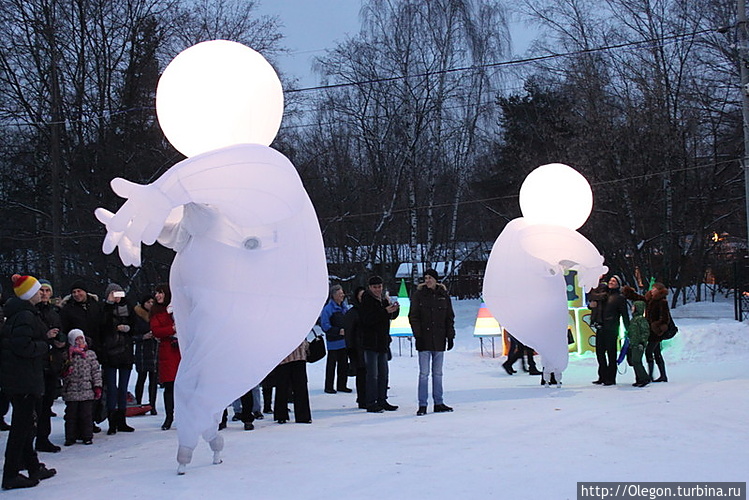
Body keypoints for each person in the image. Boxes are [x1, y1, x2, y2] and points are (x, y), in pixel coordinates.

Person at [1, 274, 57, 490]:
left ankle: (33, 467)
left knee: (26, 425)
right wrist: (46, 345)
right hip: (23, 379)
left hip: (22, 378)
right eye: (37, 290)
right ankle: (11, 474)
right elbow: (22, 346)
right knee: (21, 427)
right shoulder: (24, 315)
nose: (41, 293)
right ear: (29, 294)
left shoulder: (21, 313)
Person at [408, 268, 455, 416]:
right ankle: (422, 404)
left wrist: (450, 336)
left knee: (438, 373)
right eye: (425, 277)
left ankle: (438, 402)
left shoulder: (443, 296)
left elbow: (449, 317)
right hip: (424, 340)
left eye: (430, 277)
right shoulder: (419, 295)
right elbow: (413, 316)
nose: (427, 280)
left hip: (439, 339)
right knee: (424, 373)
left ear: (436, 279)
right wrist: (418, 336)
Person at [359, 276, 399, 413]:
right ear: (370, 288)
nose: (378, 290)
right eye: (375, 287)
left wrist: (394, 310)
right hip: (371, 343)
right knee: (372, 374)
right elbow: (368, 319)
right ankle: (371, 402)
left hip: (382, 342)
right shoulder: (366, 300)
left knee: (384, 373)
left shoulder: (383, 300)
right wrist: (385, 311)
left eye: (379, 287)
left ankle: (382, 399)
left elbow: (389, 317)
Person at [100, 283, 136, 434]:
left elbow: (135, 325)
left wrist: (128, 328)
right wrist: (108, 305)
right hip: (110, 352)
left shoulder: (129, 307)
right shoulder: (104, 309)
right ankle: (112, 421)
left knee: (123, 388)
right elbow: (101, 326)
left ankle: (122, 420)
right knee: (112, 389)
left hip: (125, 352)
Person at [34, 279, 65, 453]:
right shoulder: (32, 312)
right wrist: (46, 336)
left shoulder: (54, 312)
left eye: (47, 291)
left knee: (47, 405)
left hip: (52, 361)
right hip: (37, 362)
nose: (44, 294)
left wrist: (61, 342)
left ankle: (43, 438)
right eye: (41, 290)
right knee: (36, 406)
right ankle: (33, 439)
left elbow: (60, 331)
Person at [623, 282, 672, 383]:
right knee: (656, 352)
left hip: (656, 332)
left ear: (659, 291)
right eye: (652, 289)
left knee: (649, 352)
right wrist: (629, 293)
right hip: (650, 331)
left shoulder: (662, 302)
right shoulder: (650, 299)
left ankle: (651, 375)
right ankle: (661, 375)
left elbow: (665, 318)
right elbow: (639, 298)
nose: (652, 290)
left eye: (654, 289)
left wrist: (656, 326)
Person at [61, 329, 103, 445]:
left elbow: (95, 371)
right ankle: (70, 437)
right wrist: (65, 371)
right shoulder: (67, 355)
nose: (79, 341)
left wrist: (97, 386)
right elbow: (61, 372)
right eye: (76, 339)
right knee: (71, 416)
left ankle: (87, 436)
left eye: (81, 339)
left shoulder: (90, 355)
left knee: (86, 415)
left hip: (86, 389)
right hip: (71, 390)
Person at [587, 275, 629, 386]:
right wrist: (590, 306)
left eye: (614, 281)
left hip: (611, 328)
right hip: (600, 326)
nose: (611, 282)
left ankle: (610, 378)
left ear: (618, 284)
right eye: (610, 280)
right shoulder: (602, 294)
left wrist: (628, 329)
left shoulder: (620, 298)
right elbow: (593, 303)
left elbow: (624, 314)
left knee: (611, 354)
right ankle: (602, 376)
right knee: (599, 353)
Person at [150, 283, 181, 430]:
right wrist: (172, 329)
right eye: (156, 293)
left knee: (183, 387)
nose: (157, 296)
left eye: (160, 293)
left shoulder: (177, 308)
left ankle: (185, 416)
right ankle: (169, 416)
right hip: (168, 352)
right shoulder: (156, 312)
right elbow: (156, 331)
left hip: (180, 351)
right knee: (169, 387)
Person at [270, 339, 312, 424]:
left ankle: (302, 416)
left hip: (297, 355)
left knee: (300, 386)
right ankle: (282, 415)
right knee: (282, 386)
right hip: (284, 355)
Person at [320, 284, 351, 394]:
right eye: (340, 294)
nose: (342, 296)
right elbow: (324, 325)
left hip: (344, 342)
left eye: (342, 294)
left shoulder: (344, 308)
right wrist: (338, 331)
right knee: (331, 366)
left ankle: (342, 385)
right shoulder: (328, 309)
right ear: (333, 295)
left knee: (343, 364)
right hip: (333, 342)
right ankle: (329, 386)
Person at [133, 294, 158, 414]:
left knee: (153, 379)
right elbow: (133, 334)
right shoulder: (137, 315)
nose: (150, 304)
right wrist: (142, 337)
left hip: (154, 349)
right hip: (142, 350)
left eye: (152, 302)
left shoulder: (156, 315)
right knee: (141, 378)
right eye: (148, 302)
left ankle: (152, 405)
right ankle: (138, 404)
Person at [343, 286, 367, 409]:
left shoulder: (369, 310)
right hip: (357, 348)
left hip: (369, 347)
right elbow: (349, 332)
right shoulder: (352, 313)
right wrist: (350, 349)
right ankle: (362, 399)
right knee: (361, 374)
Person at [626, 300, 650, 387]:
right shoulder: (634, 319)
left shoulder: (641, 320)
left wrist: (642, 342)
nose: (632, 308)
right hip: (633, 343)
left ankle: (644, 378)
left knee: (637, 361)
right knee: (634, 361)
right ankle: (639, 378)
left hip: (638, 344)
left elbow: (645, 332)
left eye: (634, 307)